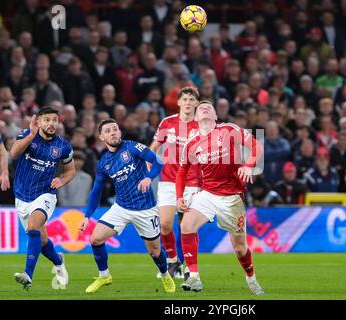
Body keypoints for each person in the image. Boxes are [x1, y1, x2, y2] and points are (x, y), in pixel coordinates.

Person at [176, 100, 264, 295]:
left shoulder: (229, 129)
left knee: (240, 248)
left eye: (209, 108)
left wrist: (248, 165)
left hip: (232, 197)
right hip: (207, 193)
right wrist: (179, 197)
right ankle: (194, 277)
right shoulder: (191, 143)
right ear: (196, 118)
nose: (204, 109)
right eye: (200, 109)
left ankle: (251, 278)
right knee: (186, 226)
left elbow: (257, 146)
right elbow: (182, 171)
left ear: (216, 116)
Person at [79, 119, 175, 294]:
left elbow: (158, 161)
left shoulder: (131, 147)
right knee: (95, 239)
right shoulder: (104, 163)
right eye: (108, 131)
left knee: (154, 251)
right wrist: (87, 216)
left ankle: (164, 274)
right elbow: (96, 192)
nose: (113, 132)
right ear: (101, 137)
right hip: (121, 208)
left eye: (115, 129)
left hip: (146, 208)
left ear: (120, 132)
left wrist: (148, 178)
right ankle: (104, 276)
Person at [10, 107, 76, 290]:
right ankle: (58, 260)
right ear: (38, 122)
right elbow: (13, 153)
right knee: (42, 240)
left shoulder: (63, 146)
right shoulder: (27, 135)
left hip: (45, 194)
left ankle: (27, 274)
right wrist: (31, 135)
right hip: (22, 196)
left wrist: (62, 180)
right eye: (47, 120)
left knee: (33, 226)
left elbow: (70, 171)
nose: (51, 123)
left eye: (54, 120)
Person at [149, 87, 200, 279]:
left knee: (188, 226)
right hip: (169, 180)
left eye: (191, 99)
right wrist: (144, 165)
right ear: (178, 102)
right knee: (165, 224)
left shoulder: (202, 126)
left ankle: (190, 267)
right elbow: (154, 147)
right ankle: (173, 261)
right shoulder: (167, 122)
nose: (188, 102)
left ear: (196, 103)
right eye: (184, 99)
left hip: (193, 182)